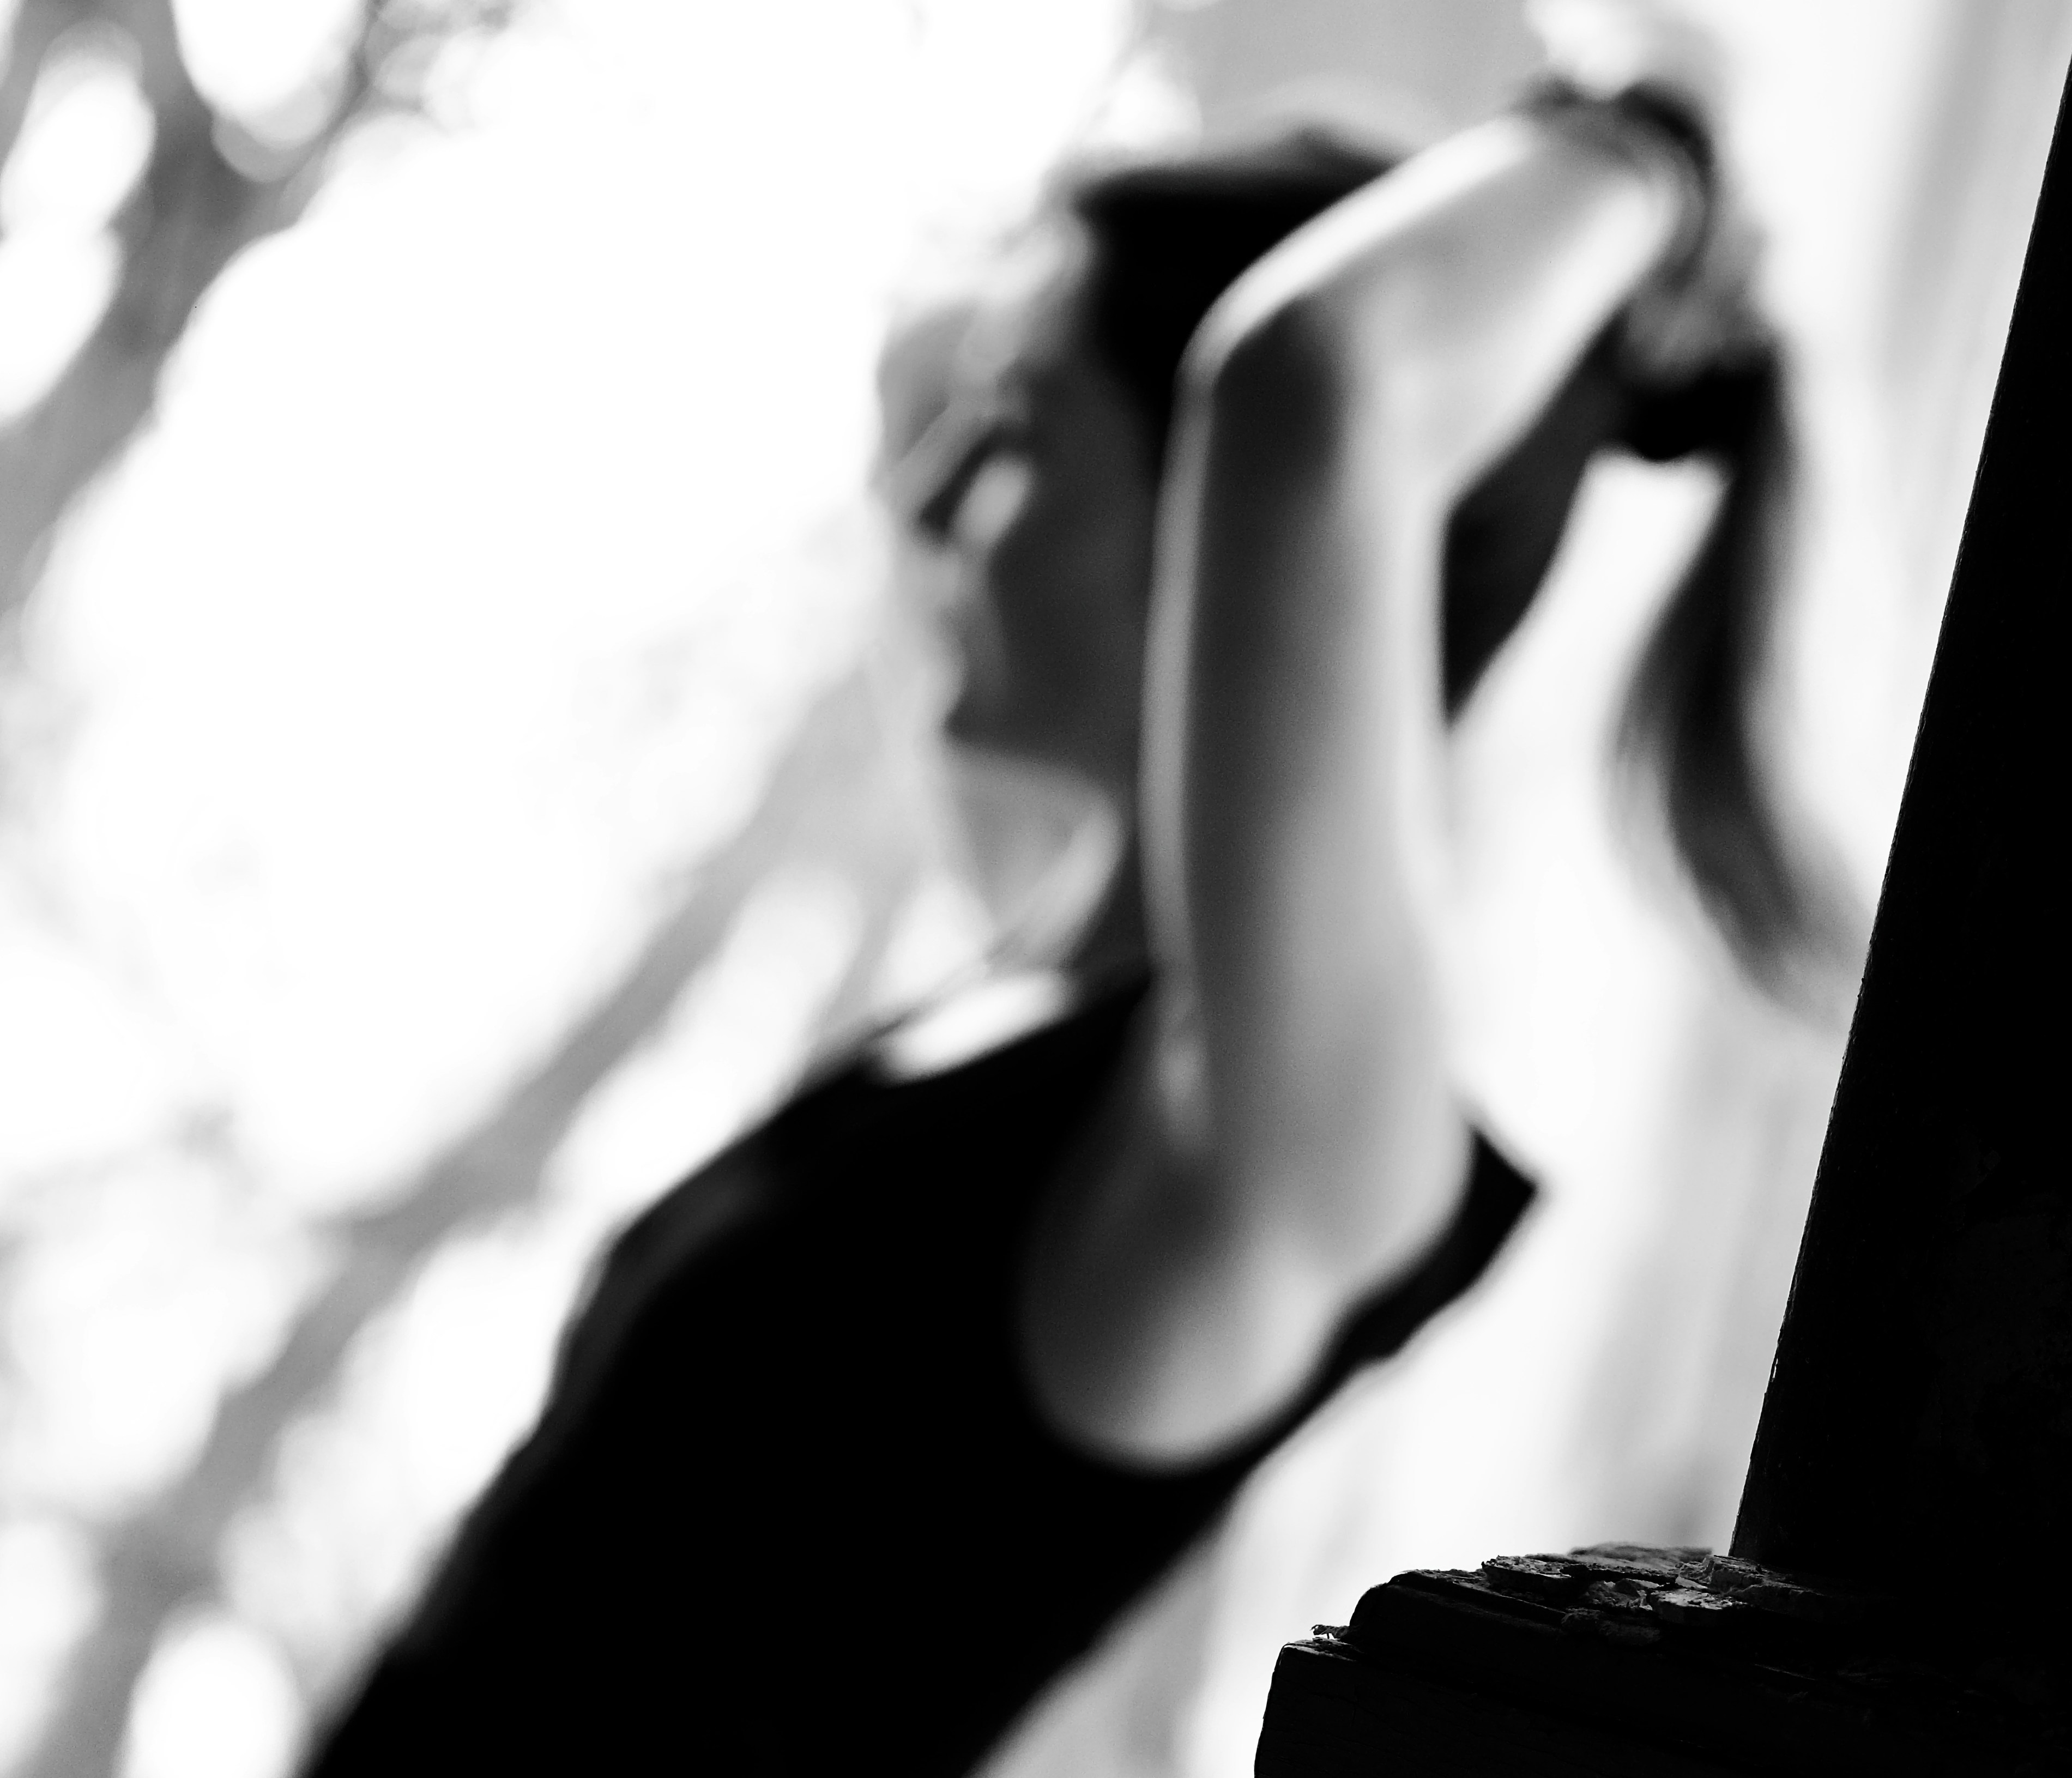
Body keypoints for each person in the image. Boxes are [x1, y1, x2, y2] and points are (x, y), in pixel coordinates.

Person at [300, 61, 1827, 1778]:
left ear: (1229, 526)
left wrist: (1652, 154)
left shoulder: (1265, 1149)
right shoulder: (1004, 1003)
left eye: (1017, 425)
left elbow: (1308, 384)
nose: (938, 493)